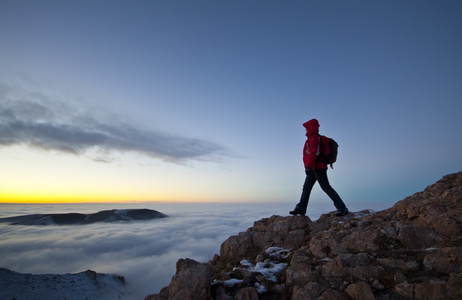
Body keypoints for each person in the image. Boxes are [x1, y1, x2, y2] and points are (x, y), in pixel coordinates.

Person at [289, 119, 349, 217]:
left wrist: (308, 166)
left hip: (317, 167)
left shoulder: (314, 137)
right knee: (306, 188)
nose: (305, 131)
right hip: (313, 167)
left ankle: (342, 208)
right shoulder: (312, 138)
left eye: (306, 129)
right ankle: (300, 208)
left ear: (310, 128)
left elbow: (313, 153)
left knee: (326, 187)